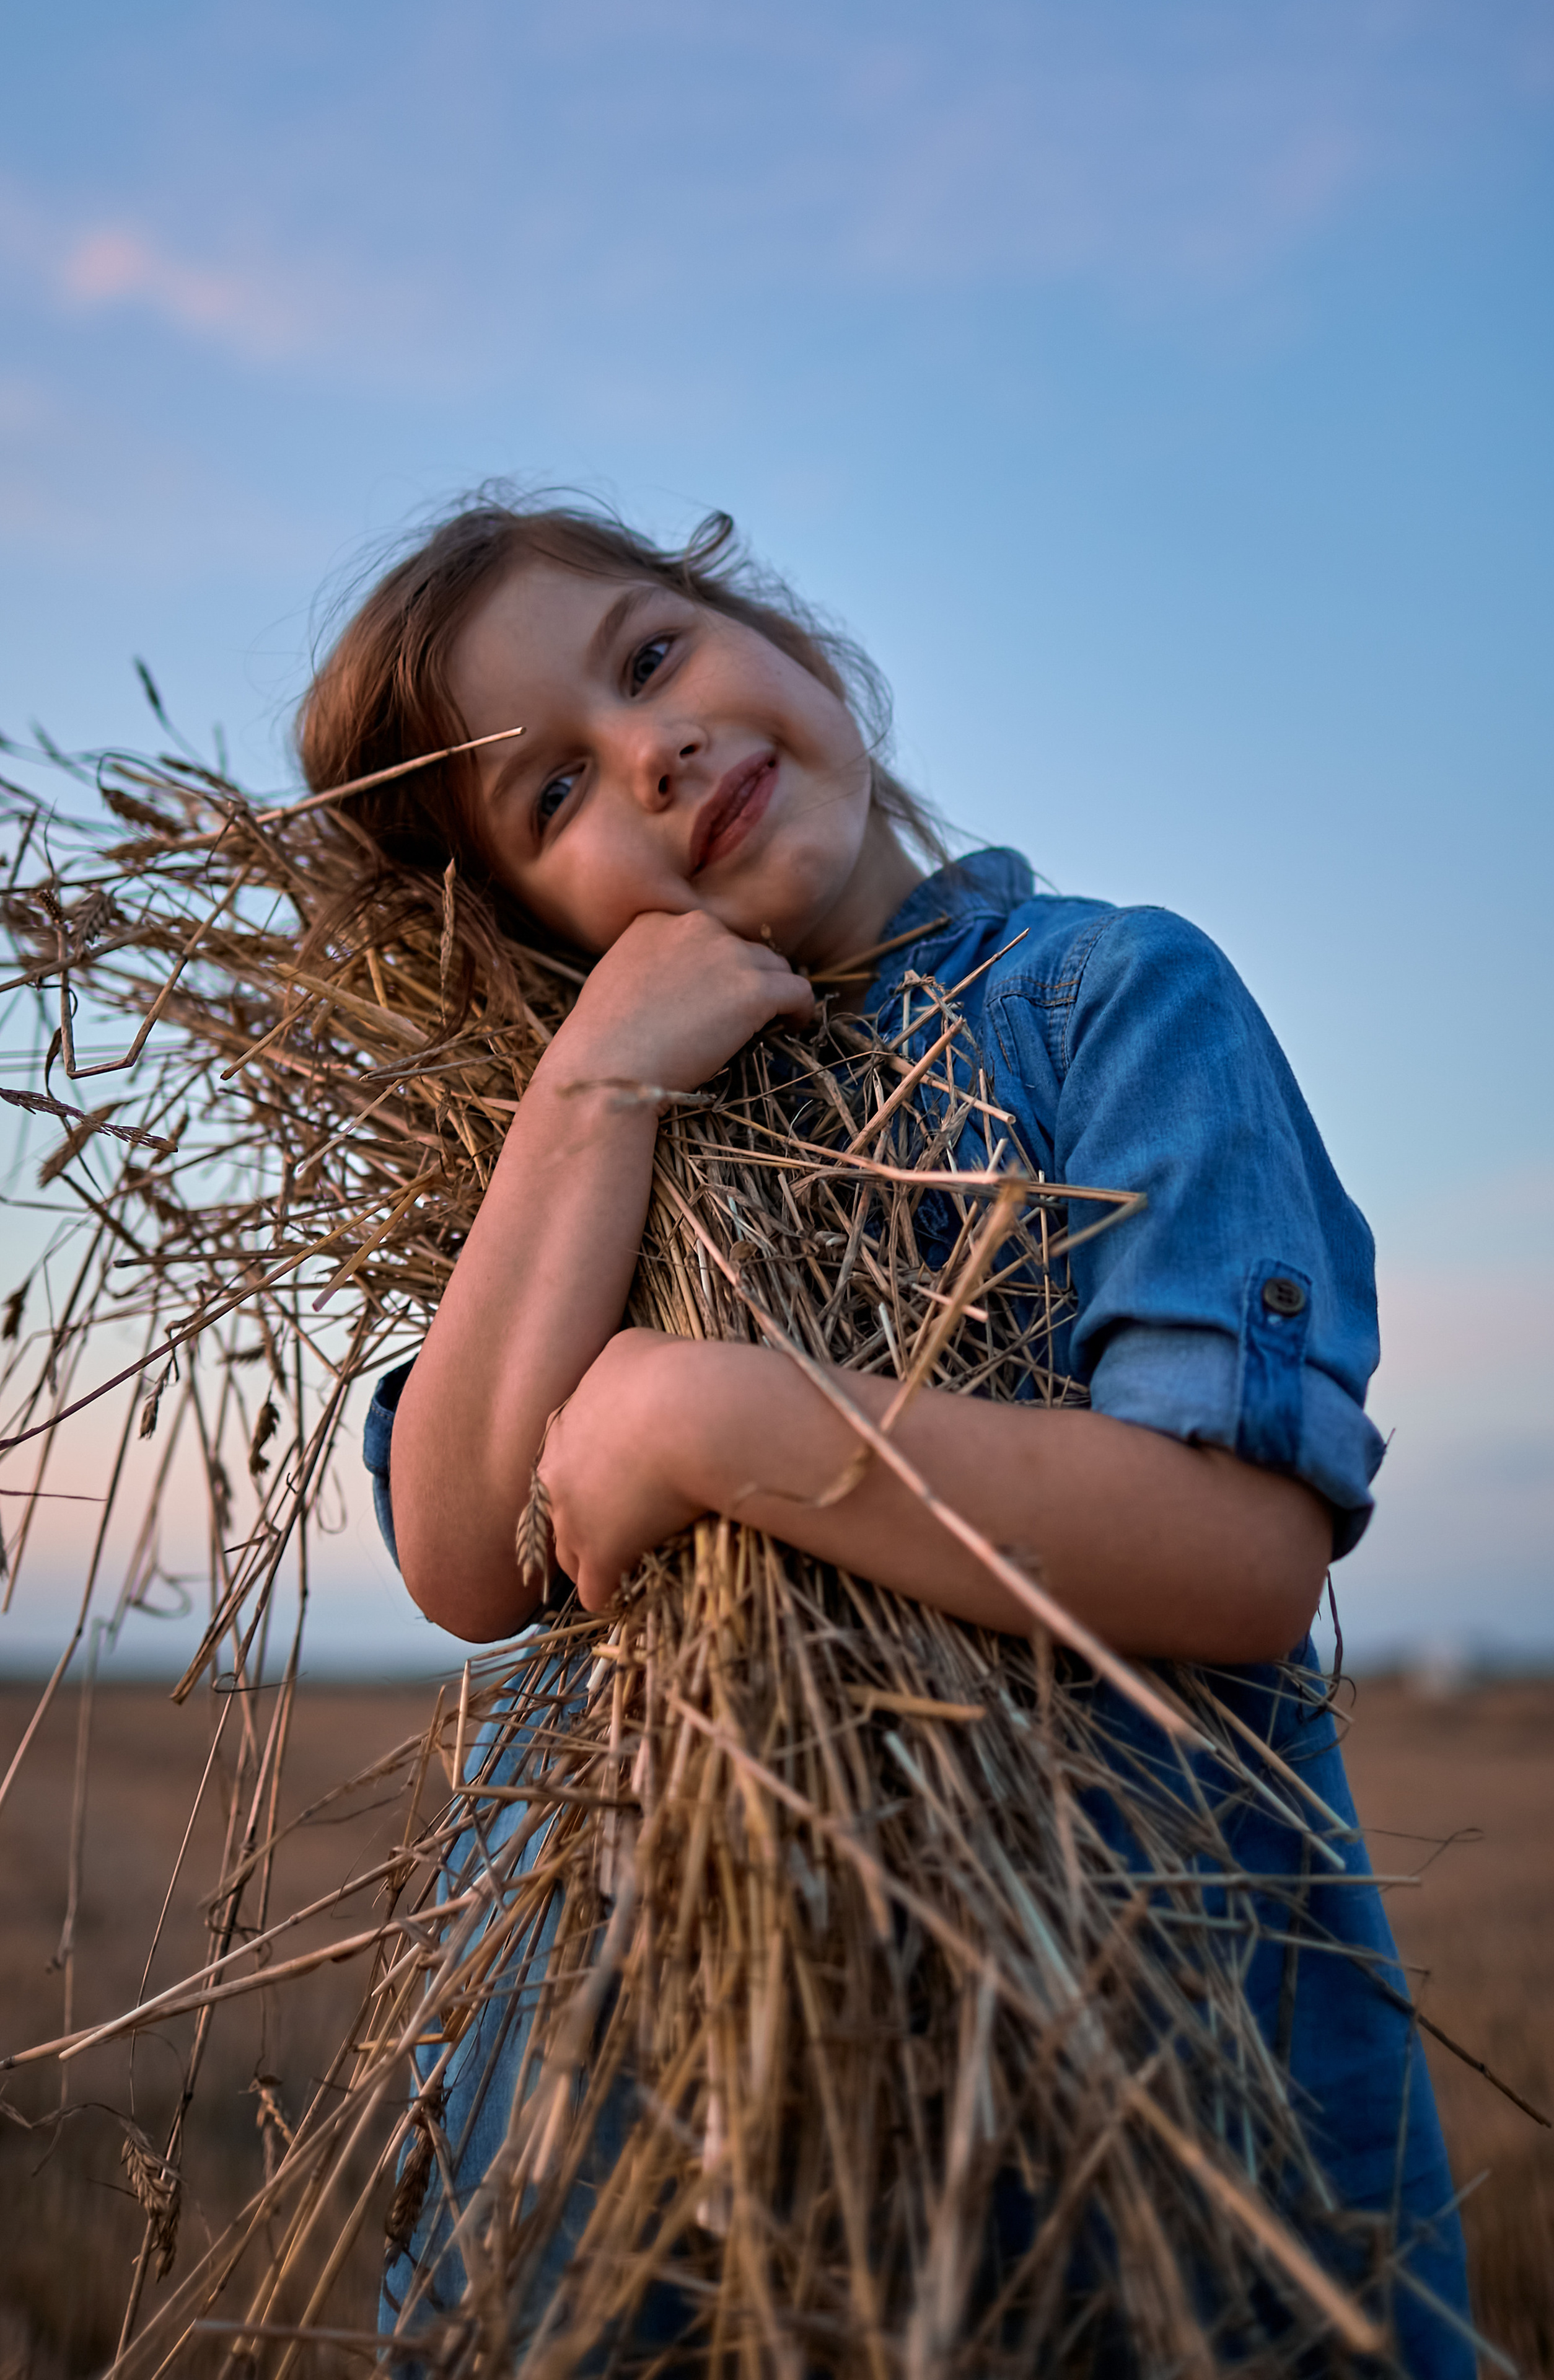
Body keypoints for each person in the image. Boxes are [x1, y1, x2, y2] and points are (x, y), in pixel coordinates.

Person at [297, 496, 1475, 2374]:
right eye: (552, 798)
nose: (654, 748)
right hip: (643, 2184)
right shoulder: (583, 1164)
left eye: (652, 656)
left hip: (1116, 2117)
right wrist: (593, 1088)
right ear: (525, 925)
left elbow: (1241, 1552)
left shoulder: (1106, 1003)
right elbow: (463, 1560)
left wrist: (705, 1413)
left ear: (787, 638)